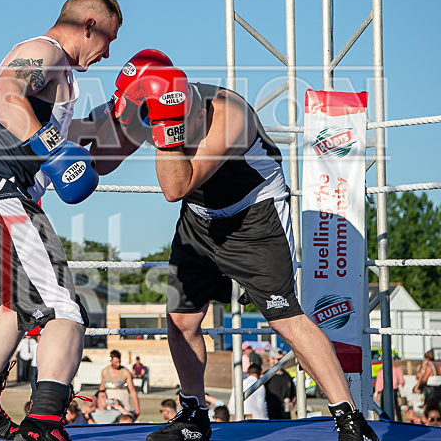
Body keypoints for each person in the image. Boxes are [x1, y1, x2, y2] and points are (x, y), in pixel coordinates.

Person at [79, 51, 379, 440]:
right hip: (199, 219)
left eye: (154, 115)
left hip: (253, 217)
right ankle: (193, 416)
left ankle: (351, 420)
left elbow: (174, 187)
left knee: (284, 318)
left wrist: (165, 127)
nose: (147, 125)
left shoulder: (228, 114)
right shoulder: (147, 108)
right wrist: (66, 140)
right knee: (181, 320)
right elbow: (102, 162)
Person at [0, 0, 121, 441]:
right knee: (64, 310)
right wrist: (53, 148)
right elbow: (5, 92)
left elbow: (83, 161)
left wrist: (126, 116)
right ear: (89, 25)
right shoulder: (45, 51)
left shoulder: (63, 79)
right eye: (108, 39)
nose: (108, 53)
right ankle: (44, 425)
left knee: (19, 304)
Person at [99, 350, 140, 417]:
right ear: (111, 360)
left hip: (123, 400)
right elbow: (101, 389)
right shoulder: (105, 371)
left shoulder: (125, 372)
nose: (118, 364)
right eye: (116, 362)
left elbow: (132, 391)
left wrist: (137, 407)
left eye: (119, 362)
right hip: (109, 401)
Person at [264, 351, 296, 419]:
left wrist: (292, 403)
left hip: (285, 416)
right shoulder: (265, 376)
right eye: (278, 359)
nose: (281, 362)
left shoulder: (287, 376)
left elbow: (294, 394)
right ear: (271, 360)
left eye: (282, 359)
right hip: (271, 416)